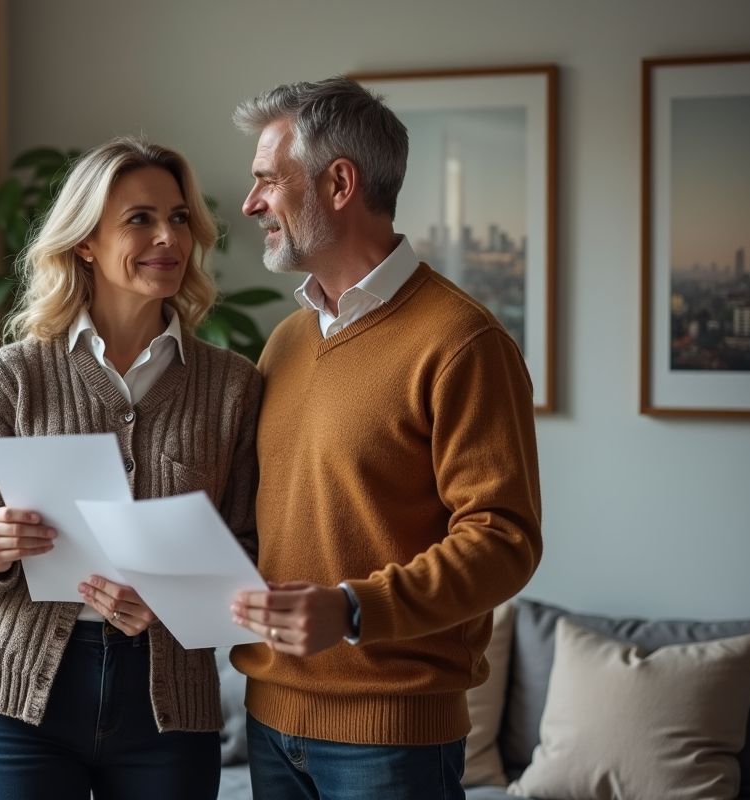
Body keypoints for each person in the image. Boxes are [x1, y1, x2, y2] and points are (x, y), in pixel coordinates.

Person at [227, 77, 543, 800]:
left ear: (339, 183)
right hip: (268, 723)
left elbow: (504, 540)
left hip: (392, 740)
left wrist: (352, 607)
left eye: (268, 181)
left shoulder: (462, 342)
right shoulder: (285, 343)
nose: (251, 204)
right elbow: (266, 524)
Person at [0, 137, 262, 800]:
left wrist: (169, 600)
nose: (167, 237)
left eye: (179, 218)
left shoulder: (232, 386)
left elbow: (252, 546)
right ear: (84, 241)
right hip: (18, 700)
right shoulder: (12, 375)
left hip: (169, 709)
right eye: (139, 219)